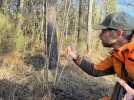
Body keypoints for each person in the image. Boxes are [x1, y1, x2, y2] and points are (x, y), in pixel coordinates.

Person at [66, 12, 134, 100]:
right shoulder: (117, 56)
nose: (99, 35)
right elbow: (95, 70)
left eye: (103, 31)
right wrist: (75, 57)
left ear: (118, 33)